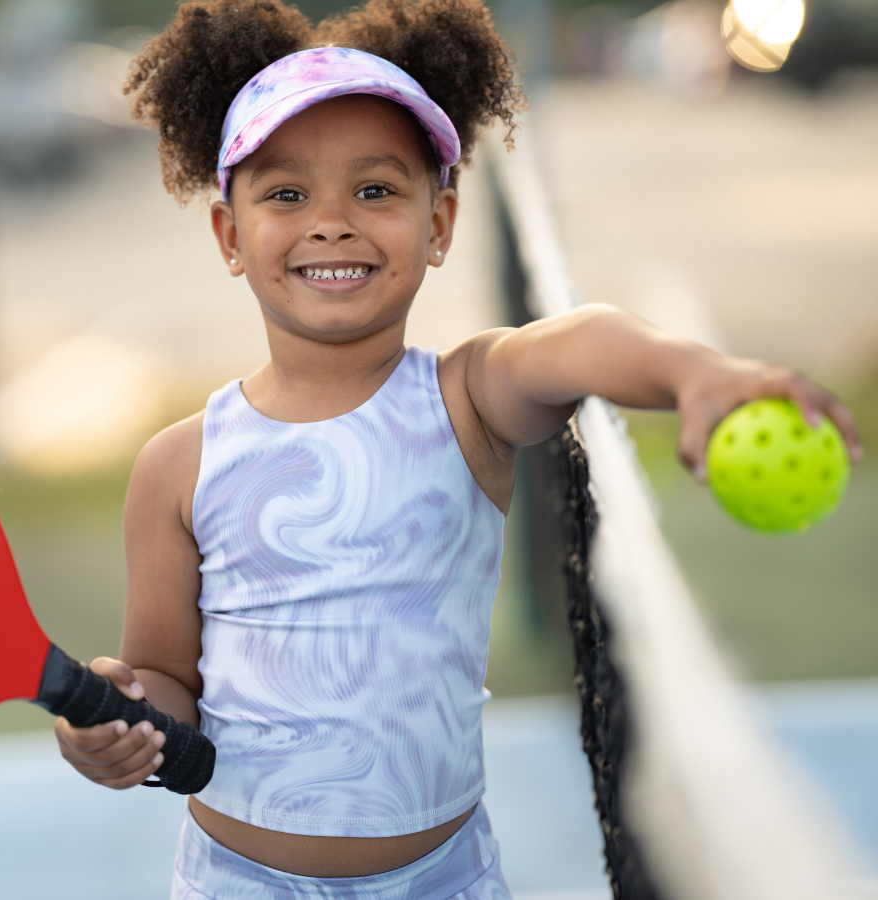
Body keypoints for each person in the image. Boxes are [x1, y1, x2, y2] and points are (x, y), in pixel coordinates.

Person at [51, 1, 864, 896]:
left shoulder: (466, 398)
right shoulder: (177, 464)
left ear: (438, 225)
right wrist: (117, 726)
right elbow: (168, 679)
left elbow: (580, 340)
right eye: (286, 194)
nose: (332, 222)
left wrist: (692, 372)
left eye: (375, 190)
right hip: (234, 881)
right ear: (229, 235)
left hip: (447, 878)